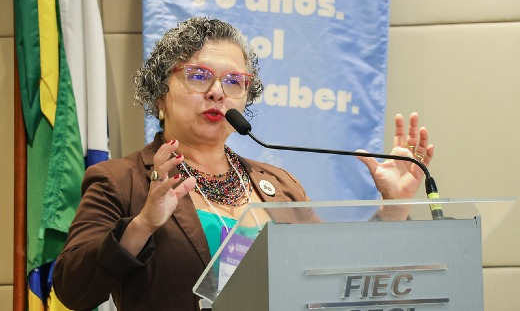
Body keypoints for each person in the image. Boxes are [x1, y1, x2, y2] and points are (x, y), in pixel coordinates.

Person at [53, 17, 434, 310]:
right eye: (198, 76)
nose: (218, 91)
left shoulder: (279, 185)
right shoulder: (122, 181)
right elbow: (73, 289)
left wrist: (394, 207)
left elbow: (336, 276)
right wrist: (143, 225)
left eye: (234, 81)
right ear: (159, 96)